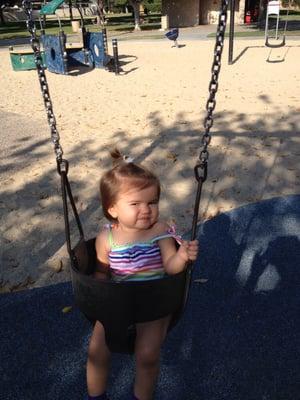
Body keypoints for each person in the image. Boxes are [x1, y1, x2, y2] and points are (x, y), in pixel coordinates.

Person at [86, 149, 199, 400]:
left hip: (154, 303)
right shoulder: (106, 238)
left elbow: (170, 265)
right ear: (112, 209)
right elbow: (102, 271)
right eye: (135, 204)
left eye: (152, 202)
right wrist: (97, 294)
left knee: (147, 356)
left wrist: (182, 257)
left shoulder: (159, 231)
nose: (146, 210)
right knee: (96, 351)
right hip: (117, 303)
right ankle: (95, 397)